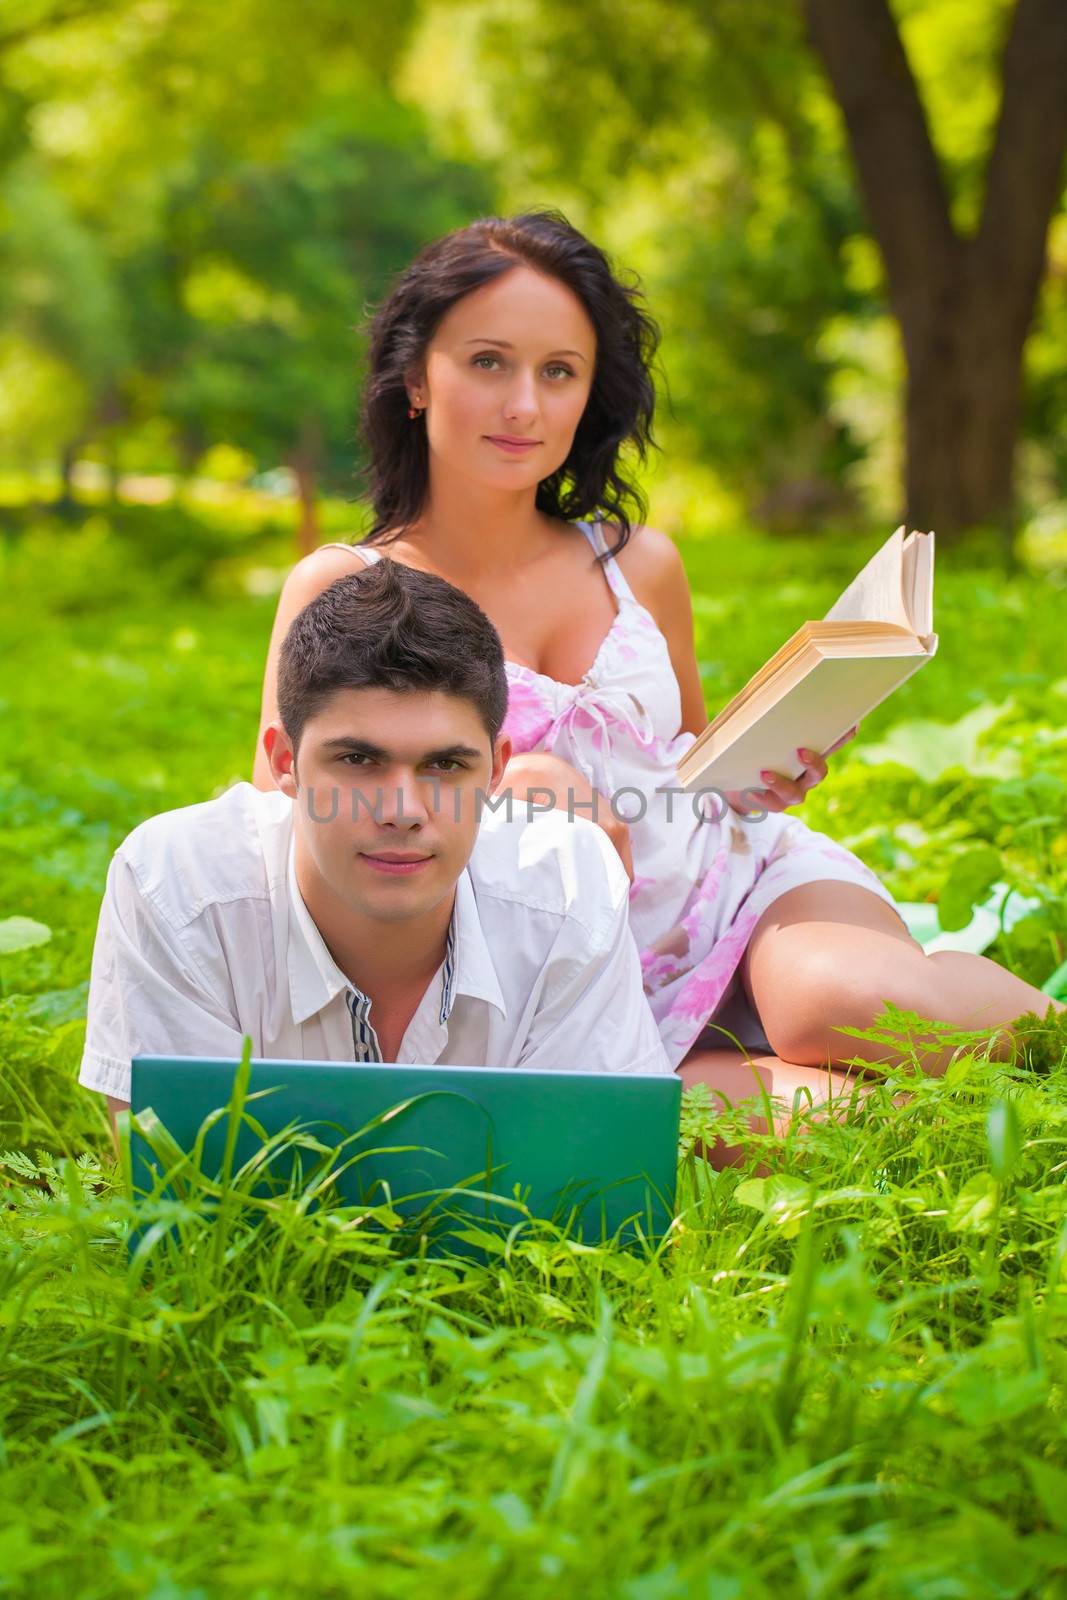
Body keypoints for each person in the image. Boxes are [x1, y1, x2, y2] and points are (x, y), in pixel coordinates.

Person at [252, 209, 1063, 1128]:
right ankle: (825, 1068)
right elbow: (288, 833)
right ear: (413, 379)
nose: (525, 405)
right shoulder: (344, 587)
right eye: (488, 362)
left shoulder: (638, 564)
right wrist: (512, 796)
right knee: (825, 1123)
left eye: (558, 372)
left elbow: (688, 781)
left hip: (746, 899)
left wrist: (764, 771)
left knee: (828, 998)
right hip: (572, 984)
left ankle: (1037, 1024)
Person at [80, 560, 671, 1145]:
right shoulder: (174, 888)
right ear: (285, 762)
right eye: (358, 760)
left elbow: (596, 1175)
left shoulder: (569, 888)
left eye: (445, 764)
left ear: (496, 770)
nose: (403, 809)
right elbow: (187, 1196)